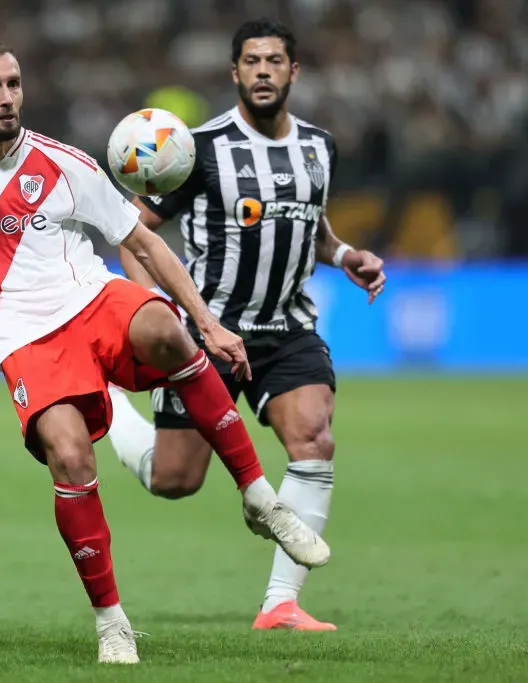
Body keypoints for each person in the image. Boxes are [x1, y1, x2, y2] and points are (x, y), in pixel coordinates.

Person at [0, 37, 330, 665]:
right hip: (22, 339)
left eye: (13, 83)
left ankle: (259, 497)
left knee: (167, 331)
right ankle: (112, 622)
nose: (7, 97)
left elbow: (142, 243)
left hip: (90, 299)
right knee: (69, 459)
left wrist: (208, 322)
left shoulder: (65, 163)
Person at [106, 18, 387, 632]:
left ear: (294, 71)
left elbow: (310, 225)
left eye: (274, 60)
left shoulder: (319, 146)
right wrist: (153, 306)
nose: (263, 71)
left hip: (287, 328)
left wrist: (345, 256)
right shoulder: (198, 149)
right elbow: (132, 233)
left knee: (314, 439)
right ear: (234, 72)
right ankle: (111, 407)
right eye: (252, 61)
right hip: (208, 331)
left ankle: (280, 604)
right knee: (175, 479)